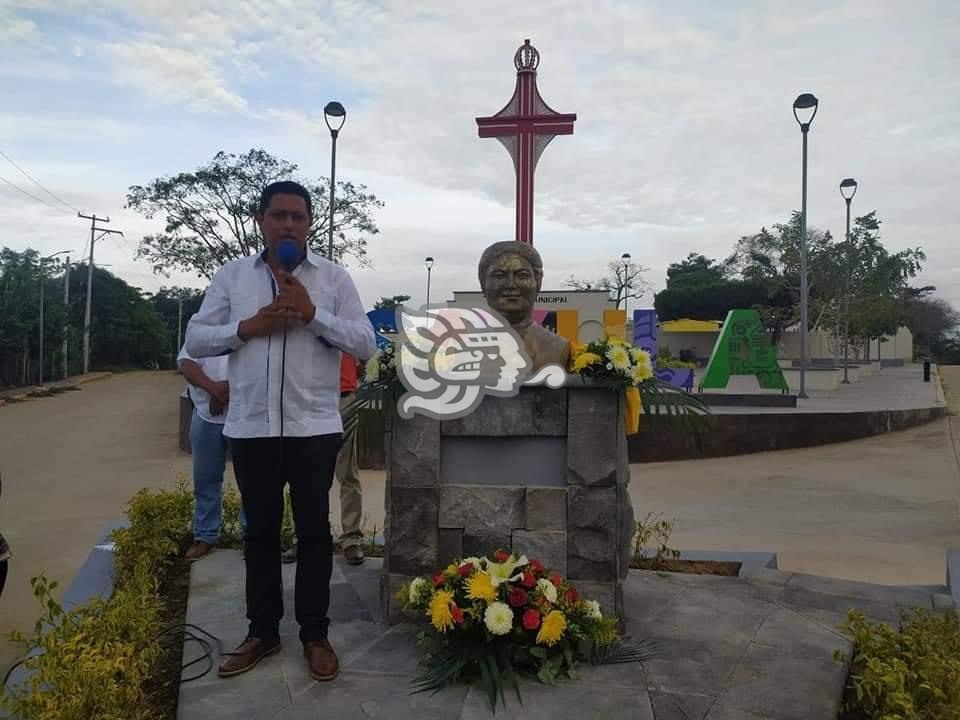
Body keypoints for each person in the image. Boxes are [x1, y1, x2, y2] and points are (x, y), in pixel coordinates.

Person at [185, 180, 375, 682]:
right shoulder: (231, 277)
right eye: (279, 215)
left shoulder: (333, 278)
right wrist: (246, 328)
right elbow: (196, 337)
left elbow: (365, 342)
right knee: (261, 535)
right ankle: (263, 631)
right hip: (251, 428)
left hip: (315, 427)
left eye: (298, 216)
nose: (289, 224)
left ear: (310, 223)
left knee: (315, 533)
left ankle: (315, 633)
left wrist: (315, 316)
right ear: (261, 221)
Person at [281, 352, 365, 566]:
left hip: (343, 398)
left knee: (347, 471)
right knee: (304, 473)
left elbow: (364, 349)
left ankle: (351, 540)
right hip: (306, 400)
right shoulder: (301, 317)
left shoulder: (345, 317)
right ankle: (304, 536)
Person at [177, 345, 247, 561]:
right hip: (206, 418)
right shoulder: (206, 324)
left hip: (246, 418)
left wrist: (226, 391)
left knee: (252, 482)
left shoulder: (254, 325)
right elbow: (186, 364)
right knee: (206, 481)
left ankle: (252, 538)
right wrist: (213, 389)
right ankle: (205, 537)